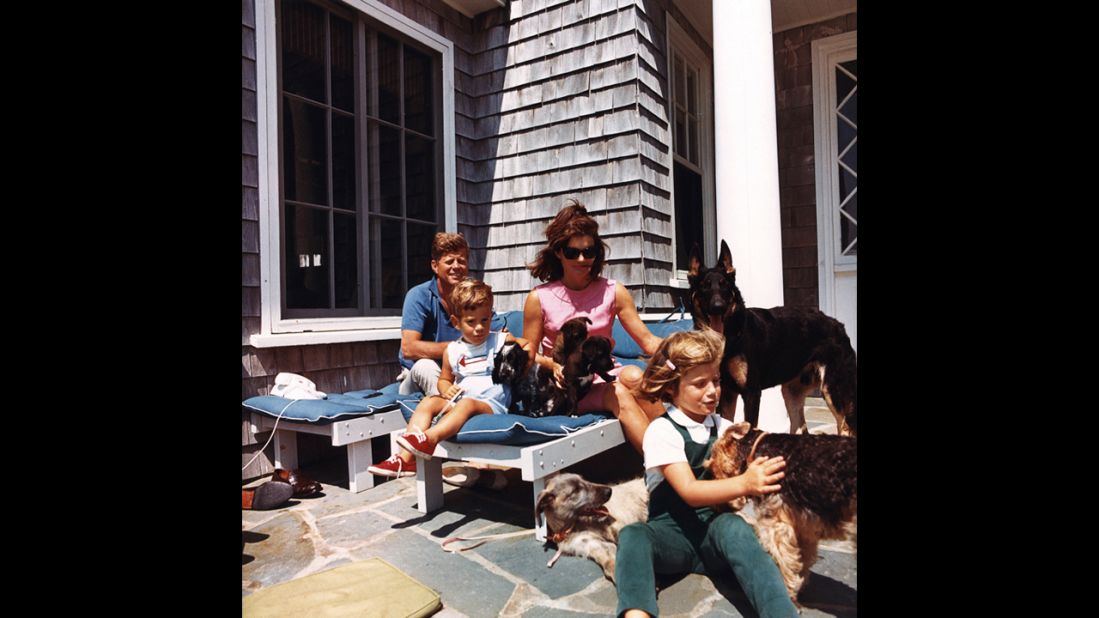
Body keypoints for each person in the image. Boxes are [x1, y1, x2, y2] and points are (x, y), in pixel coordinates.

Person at [615, 330, 796, 618]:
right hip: (670, 539)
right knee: (633, 535)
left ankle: (780, 612)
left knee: (735, 528)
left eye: (716, 380)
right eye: (700, 384)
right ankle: (637, 612)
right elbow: (689, 491)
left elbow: (755, 450)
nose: (712, 391)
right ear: (671, 389)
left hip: (713, 536)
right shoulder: (662, 431)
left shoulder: (722, 426)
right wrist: (745, 483)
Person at [523, 199, 664, 452]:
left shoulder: (614, 291)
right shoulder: (539, 298)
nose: (582, 259)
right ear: (558, 252)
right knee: (618, 393)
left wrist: (690, 354)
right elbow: (528, 354)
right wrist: (552, 364)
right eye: (572, 252)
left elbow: (649, 342)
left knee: (634, 375)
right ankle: (666, 468)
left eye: (589, 252)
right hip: (566, 388)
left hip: (603, 375)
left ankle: (680, 451)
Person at [369, 280, 534, 477]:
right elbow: (445, 379)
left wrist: (523, 365)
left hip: (491, 404)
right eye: (471, 322)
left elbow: (528, 345)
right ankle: (404, 460)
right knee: (429, 402)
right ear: (456, 322)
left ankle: (429, 440)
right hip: (461, 400)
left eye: (485, 320)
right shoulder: (453, 350)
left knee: (467, 405)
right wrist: (446, 389)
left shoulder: (500, 340)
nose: (479, 328)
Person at [398, 232, 505, 396]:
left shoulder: (472, 297)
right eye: (449, 261)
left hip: (461, 373)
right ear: (435, 266)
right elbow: (409, 348)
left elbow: (499, 333)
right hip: (418, 376)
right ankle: (447, 413)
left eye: (461, 261)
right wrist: (461, 348)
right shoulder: (419, 295)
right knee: (425, 366)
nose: (456, 266)